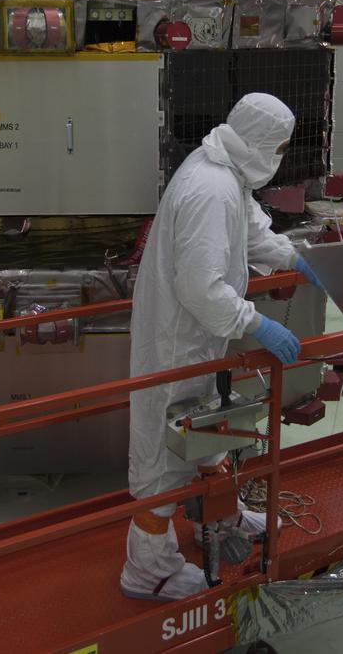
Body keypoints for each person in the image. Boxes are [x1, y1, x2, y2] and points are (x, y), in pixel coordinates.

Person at [120, 93, 322, 601]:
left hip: (200, 343)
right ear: (262, 142)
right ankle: (147, 571)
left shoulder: (226, 171)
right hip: (176, 348)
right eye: (279, 147)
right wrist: (257, 324)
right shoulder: (210, 188)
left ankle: (224, 518)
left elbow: (251, 232)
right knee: (164, 462)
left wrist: (293, 257)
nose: (280, 156)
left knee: (208, 431)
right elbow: (201, 288)